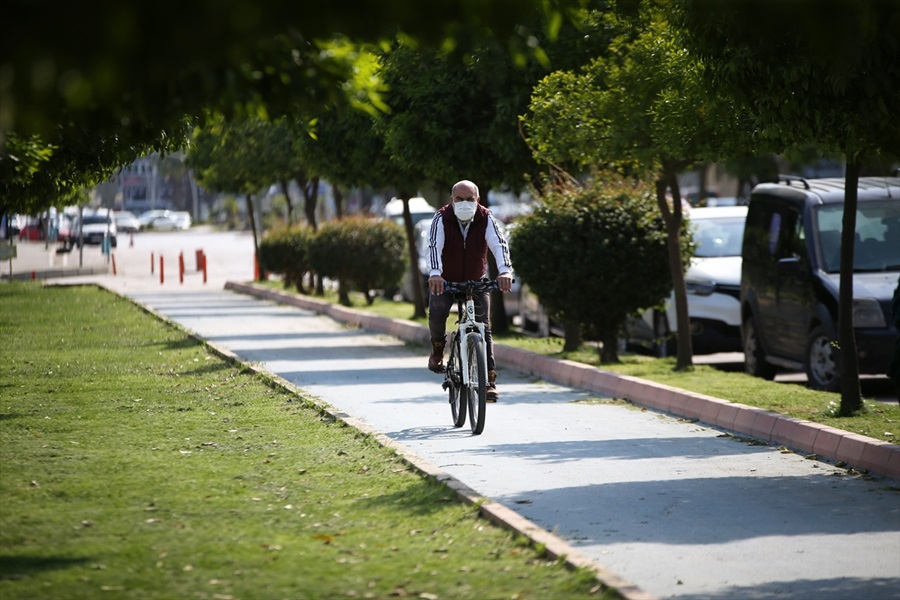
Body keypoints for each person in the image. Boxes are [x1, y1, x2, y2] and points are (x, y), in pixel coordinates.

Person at [426, 180, 513, 402]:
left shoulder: (486, 218)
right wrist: (435, 273)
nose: (465, 203)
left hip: (476, 280)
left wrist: (504, 272)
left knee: (483, 326)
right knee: (437, 311)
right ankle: (437, 349)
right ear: (451, 200)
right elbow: (434, 246)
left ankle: (489, 381)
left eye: (470, 199)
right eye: (459, 199)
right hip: (444, 280)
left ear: (478, 200)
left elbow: (499, 245)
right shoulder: (441, 218)